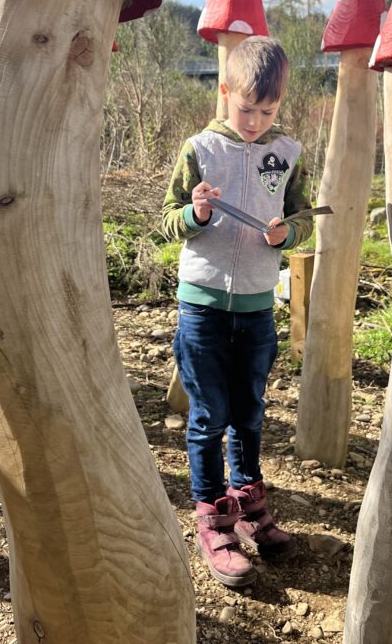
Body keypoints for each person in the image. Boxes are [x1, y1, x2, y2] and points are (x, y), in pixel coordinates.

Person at [162, 36, 313, 587]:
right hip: (201, 306)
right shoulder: (198, 148)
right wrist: (196, 212)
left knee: (250, 410)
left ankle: (249, 502)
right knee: (209, 416)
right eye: (246, 108)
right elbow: (168, 219)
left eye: (267, 111)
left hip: (255, 308)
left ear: (280, 104)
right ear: (224, 93)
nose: (254, 121)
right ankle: (211, 517)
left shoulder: (289, 153)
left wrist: (286, 234)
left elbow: (304, 219)